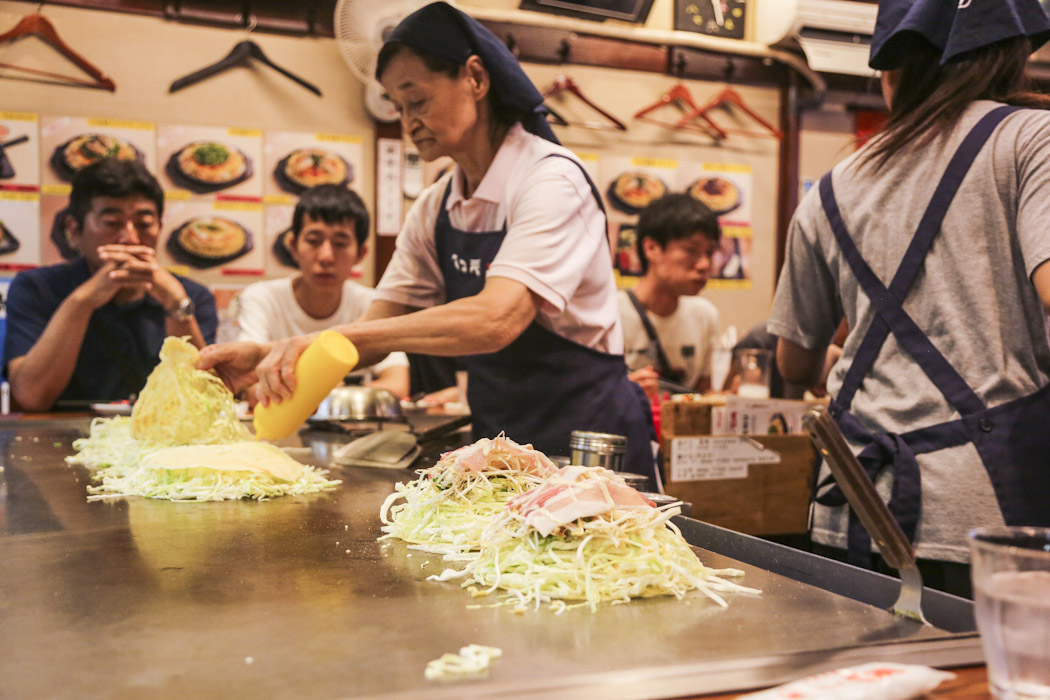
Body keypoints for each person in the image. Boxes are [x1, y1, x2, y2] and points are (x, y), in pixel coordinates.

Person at [198, 1, 656, 481]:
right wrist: (271, 355)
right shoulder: (436, 205)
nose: (407, 122)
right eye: (397, 108)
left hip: (588, 447)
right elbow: (374, 335)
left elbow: (496, 319)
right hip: (501, 449)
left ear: (475, 79)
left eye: (417, 101)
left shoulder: (551, 180)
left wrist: (331, 337)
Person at [768, 0, 1050, 597]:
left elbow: (793, 364)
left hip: (850, 504)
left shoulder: (834, 184)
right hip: (986, 517)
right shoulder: (1032, 138)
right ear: (1011, 51)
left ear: (895, 67)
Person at [4, 158, 217, 410]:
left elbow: (202, 400)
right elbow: (31, 397)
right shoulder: (36, 288)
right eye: (112, 223)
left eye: (144, 224)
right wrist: (82, 302)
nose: (130, 238)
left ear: (160, 227)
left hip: (162, 439)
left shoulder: (191, 296)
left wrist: (176, 305)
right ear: (74, 229)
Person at [235, 184, 410, 399]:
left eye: (340, 243)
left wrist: (322, 396)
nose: (326, 256)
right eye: (313, 241)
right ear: (293, 247)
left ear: (360, 253)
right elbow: (250, 387)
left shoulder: (374, 304)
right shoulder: (262, 298)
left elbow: (398, 385)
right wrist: (333, 393)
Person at [619, 193, 721, 400]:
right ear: (652, 248)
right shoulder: (612, 313)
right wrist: (622, 392)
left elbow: (702, 394)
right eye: (691, 251)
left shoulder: (705, 315)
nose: (704, 265)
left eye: (709, 253)